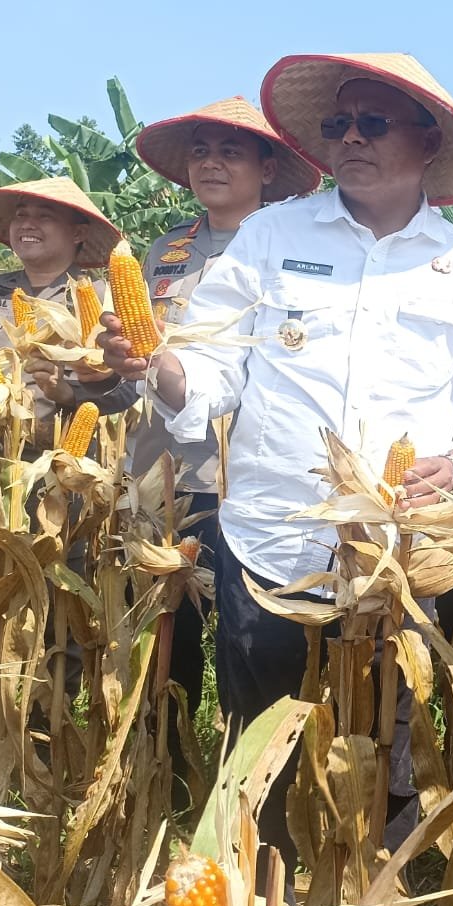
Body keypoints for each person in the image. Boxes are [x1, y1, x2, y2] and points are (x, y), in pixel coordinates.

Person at [98, 52, 453, 874]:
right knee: (261, 745)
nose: (351, 137)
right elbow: (213, 369)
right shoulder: (272, 236)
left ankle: (374, 897)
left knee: (387, 745)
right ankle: (266, 897)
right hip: (270, 545)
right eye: (338, 124)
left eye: (373, 122)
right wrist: (160, 366)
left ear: (427, 141)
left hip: (397, 556)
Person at [127, 95, 321, 808]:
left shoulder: (295, 254)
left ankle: (253, 793)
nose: (210, 162)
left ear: (268, 168)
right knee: (167, 641)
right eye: (201, 150)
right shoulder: (165, 254)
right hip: (163, 476)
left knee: (246, 644)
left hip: (245, 485)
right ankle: (170, 781)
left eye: (231, 151)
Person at [0, 177, 136, 442]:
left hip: (63, 456)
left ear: (78, 233)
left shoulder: (105, 299)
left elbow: (132, 386)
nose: (27, 224)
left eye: (44, 216)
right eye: (20, 215)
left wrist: (68, 394)